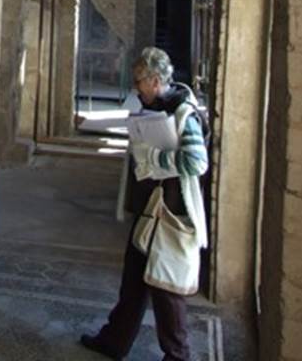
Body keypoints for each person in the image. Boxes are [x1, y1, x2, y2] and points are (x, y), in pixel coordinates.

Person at [80, 47, 208, 361]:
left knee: (167, 288)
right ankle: (114, 340)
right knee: (133, 279)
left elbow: (196, 161)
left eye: (139, 81)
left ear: (154, 80)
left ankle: (178, 355)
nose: (136, 87)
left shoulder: (183, 112)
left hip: (171, 213)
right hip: (150, 209)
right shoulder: (151, 106)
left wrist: (153, 157)